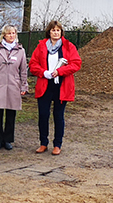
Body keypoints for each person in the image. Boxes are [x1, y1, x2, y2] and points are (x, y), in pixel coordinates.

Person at [29, 20, 82, 155]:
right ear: (49, 32)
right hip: (44, 85)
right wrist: (43, 72)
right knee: (43, 115)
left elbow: (76, 64)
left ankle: (57, 144)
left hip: (61, 86)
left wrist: (60, 71)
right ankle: (43, 143)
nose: (55, 32)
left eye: (58, 30)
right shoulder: (41, 46)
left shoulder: (69, 46)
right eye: (53, 30)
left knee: (58, 116)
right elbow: (33, 64)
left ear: (61, 32)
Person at [0, 25, 28, 150]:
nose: (11, 35)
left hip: (14, 85)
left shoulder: (20, 51)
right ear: (4, 35)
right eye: (9, 33)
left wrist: (24, 85)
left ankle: (8, 140)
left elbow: (23, 70)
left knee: (11, 113)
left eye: (13, 33)